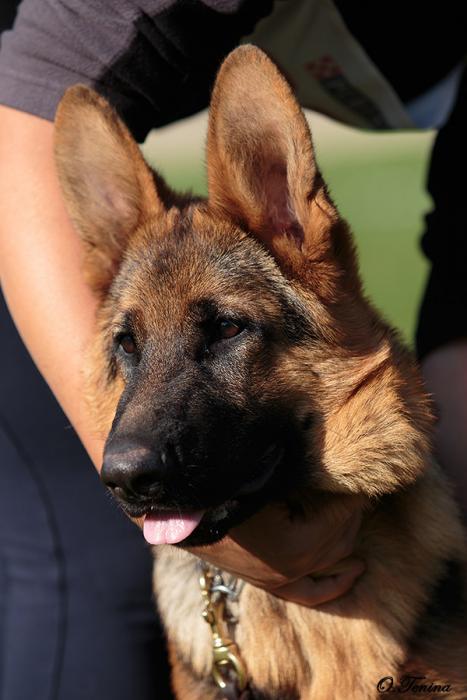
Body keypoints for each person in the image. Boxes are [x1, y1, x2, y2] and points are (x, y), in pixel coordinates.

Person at [0, 1, 465, 698]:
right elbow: (29, 119)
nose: (126, 462)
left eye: (223, 330)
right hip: (21, 175)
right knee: (87, 568)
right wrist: (216, 538)